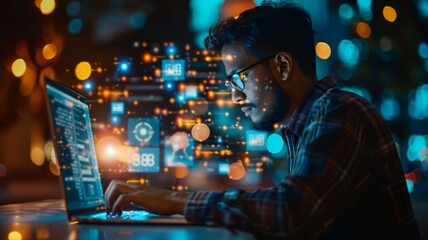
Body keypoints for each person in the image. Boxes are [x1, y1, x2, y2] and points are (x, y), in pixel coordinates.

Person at [105, 1, 420, 239]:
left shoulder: (342, 111)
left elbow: (291, 211)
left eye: (240, 79)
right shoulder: (304, 126)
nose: (234, 96)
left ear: (282, 66)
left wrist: (173, 199)